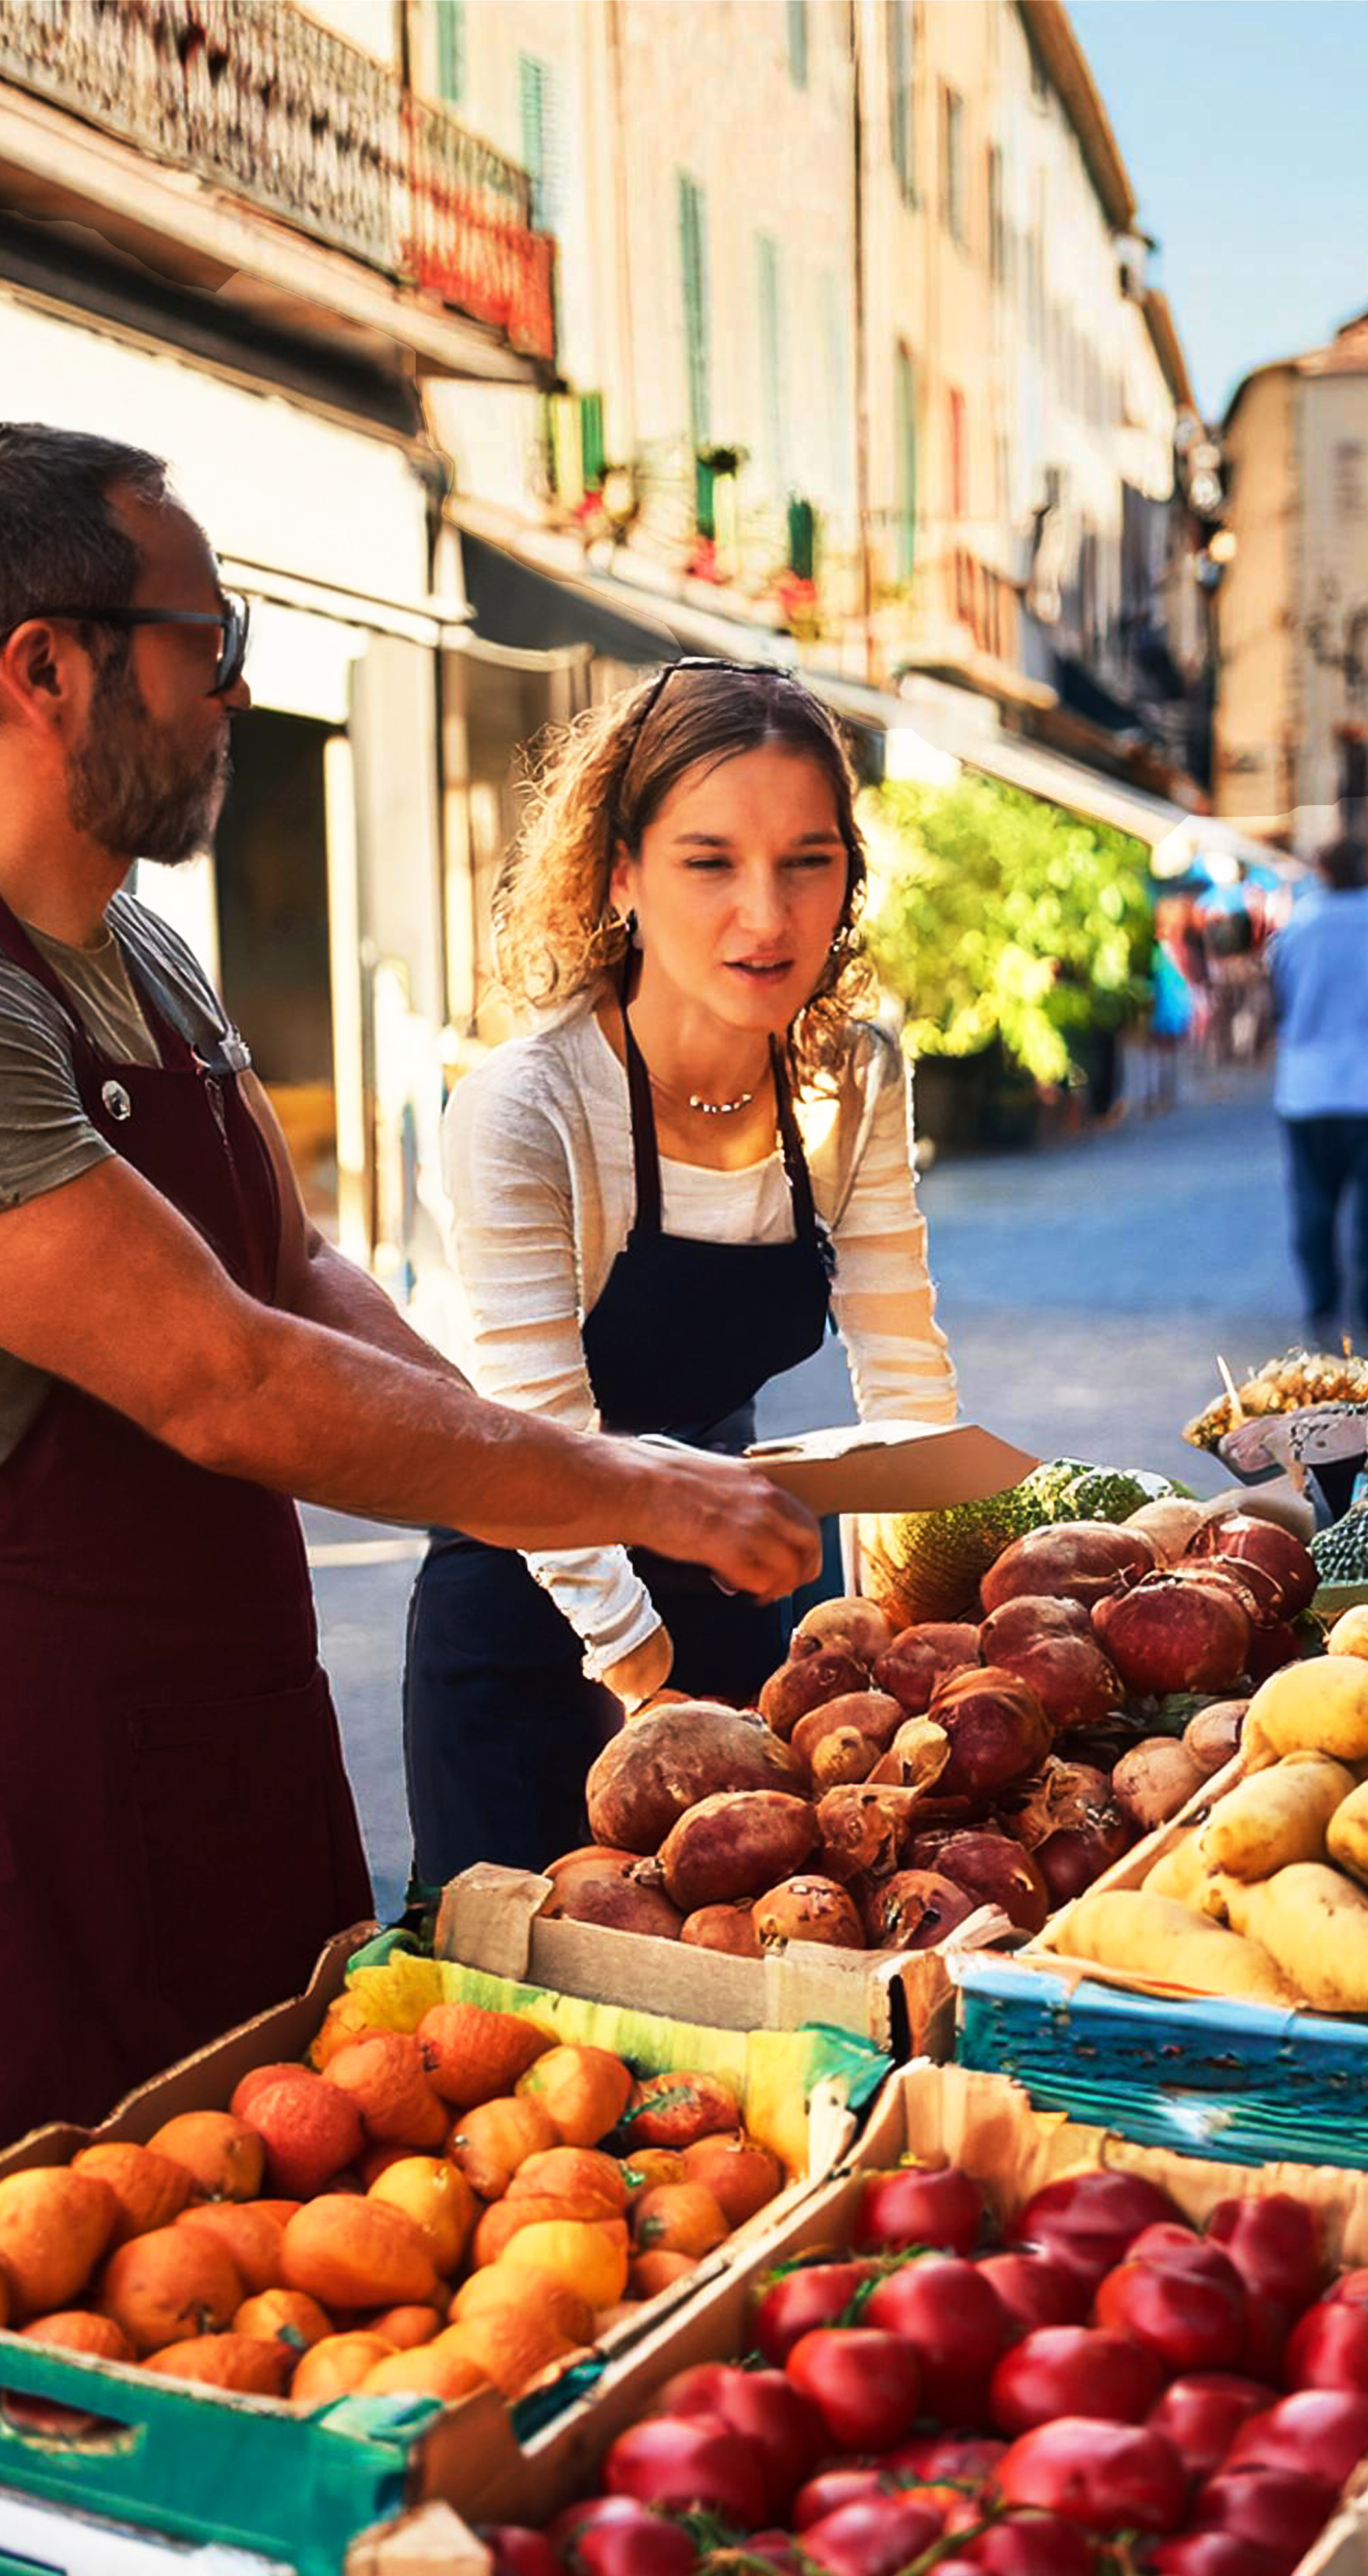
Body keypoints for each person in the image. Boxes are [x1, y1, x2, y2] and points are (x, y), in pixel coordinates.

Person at [0, 425, 818, 2226]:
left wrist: (522, 1474)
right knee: (14, 2321)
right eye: (209, 644)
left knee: (286, 2254)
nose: (238, 694)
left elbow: (297, 1280)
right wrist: (630, 1490)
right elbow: (221, 1378)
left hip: (212, 1726)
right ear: (47, 666)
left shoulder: (137, 954)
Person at [404, 659, 957, 1886]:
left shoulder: (849, 1080)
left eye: (807, 862)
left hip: (734, 1596)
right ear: (620, 873)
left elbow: (905, 1373)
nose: (766, 916)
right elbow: (540, 1435)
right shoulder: (528, 1107)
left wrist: (935, 1621)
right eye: (709, 863)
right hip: (536, 1615)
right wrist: (652, 1693)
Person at [1267, 836, 1368, 1346]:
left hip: (1309, 1084)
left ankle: (1322, 1310)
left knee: (1313, 1205)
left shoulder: (1301, 921)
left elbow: (1279, 996)